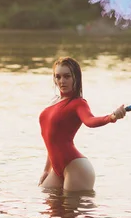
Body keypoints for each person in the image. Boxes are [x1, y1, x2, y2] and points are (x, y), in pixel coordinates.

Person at [38, 57, 126, 192]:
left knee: (72, 211)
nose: (62, 81)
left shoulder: (78, 103)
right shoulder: (54, 102)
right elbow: (53, 140)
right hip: (57, 169)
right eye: (58, 77)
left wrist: (111, 117)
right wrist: (46, 170)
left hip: (76, 168)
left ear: (76, 78)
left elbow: (90, 121)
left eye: (67, 76)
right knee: (48, 201)